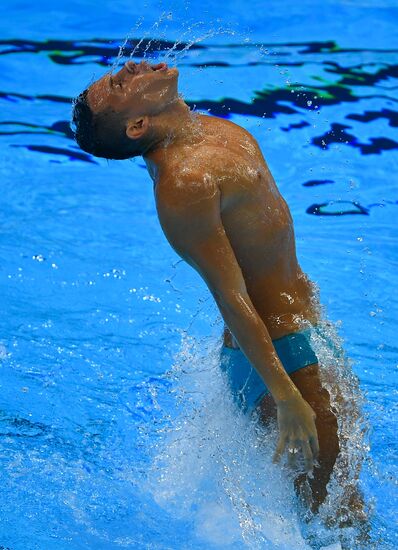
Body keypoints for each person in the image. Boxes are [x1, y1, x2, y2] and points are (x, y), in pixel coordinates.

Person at [71, 60, 363, 518]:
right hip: (281, 355)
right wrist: (287, 397)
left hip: (299, 331)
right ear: (138, 125)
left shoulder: (210, 129)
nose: (127, 68)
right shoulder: (183, 184)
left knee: (337, 503)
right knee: (337, 516)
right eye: (118, 84)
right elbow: (231, 297)